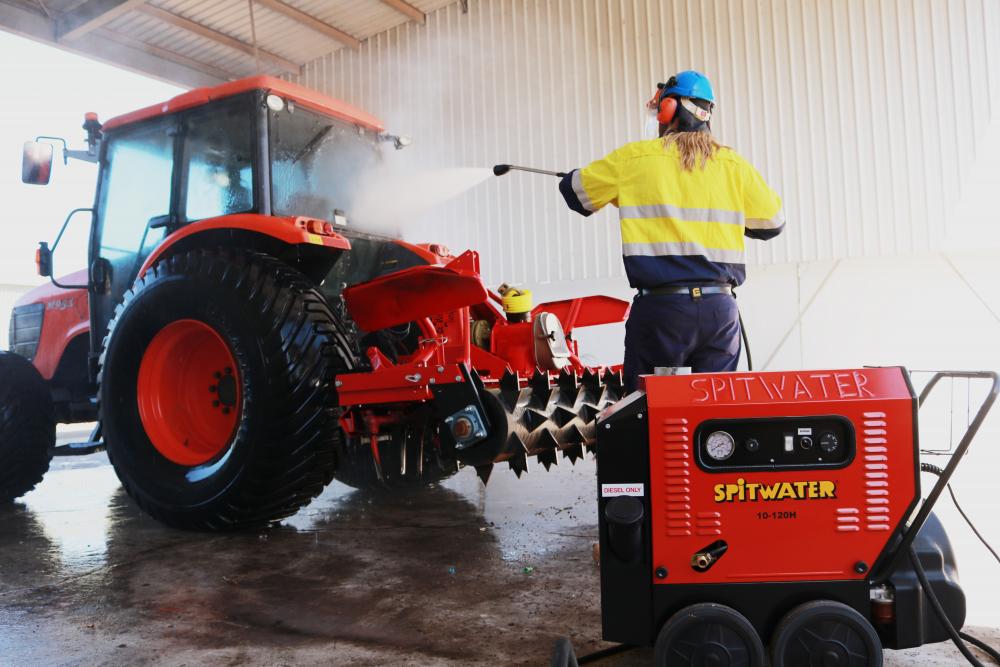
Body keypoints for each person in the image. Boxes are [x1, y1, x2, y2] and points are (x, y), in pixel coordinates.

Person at [558, 70, 784, 392]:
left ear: (667, 110)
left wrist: (573, 176)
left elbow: (575, 193)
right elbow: (773, 223)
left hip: (662, 313)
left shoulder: (634, 160)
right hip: (719, 314)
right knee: (715, 414)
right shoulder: (734, 165)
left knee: (652, 411)